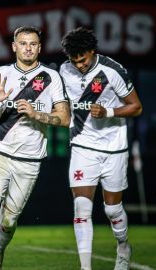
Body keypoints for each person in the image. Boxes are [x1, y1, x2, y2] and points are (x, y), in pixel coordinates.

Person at [0, 26, 70, 270]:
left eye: (33, 43)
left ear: (39, 47)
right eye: (23, 43)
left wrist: (37, 114)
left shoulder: (50, 77)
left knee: (9, 221)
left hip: (29, 159)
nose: (28, 48)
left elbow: (65, 119)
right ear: (14, 46)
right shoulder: (1, 73)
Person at [60, 27, 143, 270]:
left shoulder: (112, 70)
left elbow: (136, 107)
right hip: (82, 145)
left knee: (112, 209)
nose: (79, 65)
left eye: (83, 60)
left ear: (92, 51)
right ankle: (85, 267)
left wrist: (108, 111)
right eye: (74, 61)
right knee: (81, 207)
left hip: (114, 147)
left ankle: (124, 246)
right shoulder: (65, 70)